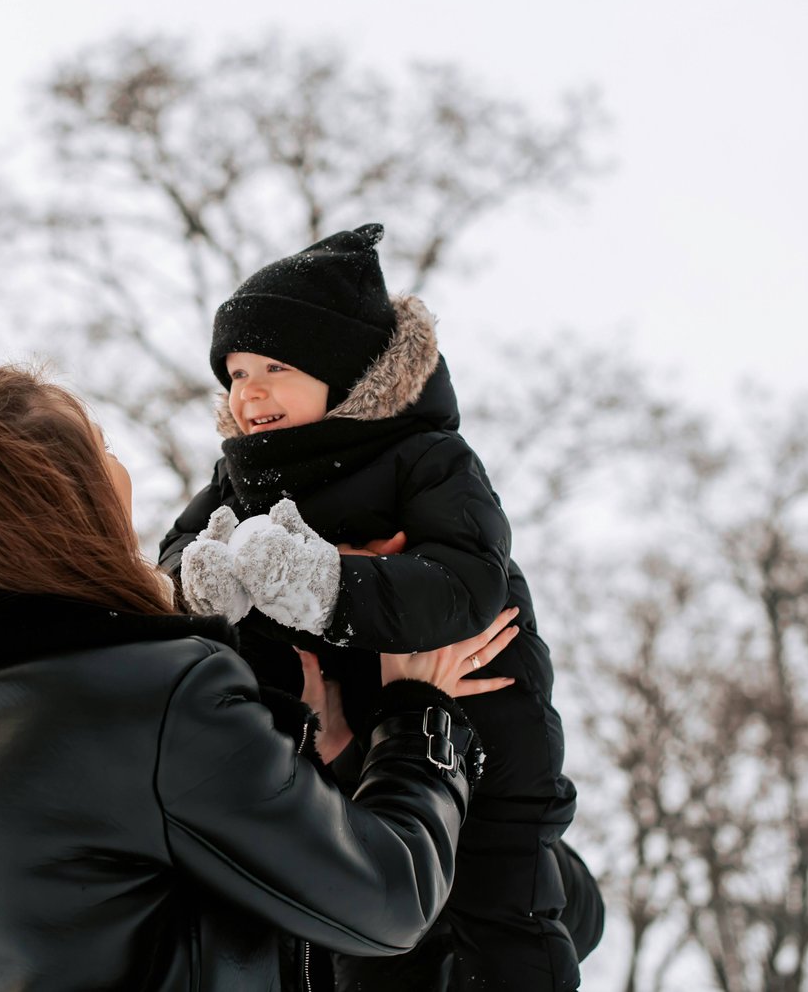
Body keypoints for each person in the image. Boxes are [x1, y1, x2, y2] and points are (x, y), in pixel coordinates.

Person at [0, 364, 527, 992]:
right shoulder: (160, 693)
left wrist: (304, 753)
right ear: (70, 500)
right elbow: (388, 898)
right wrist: (417, 713)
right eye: (102, 447)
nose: (121, 468)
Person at [160, 224, 605, 990]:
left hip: (483, 713)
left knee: (504, 909)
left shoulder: (425, 458)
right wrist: (199, 587)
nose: (248, 392)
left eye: (274, 367)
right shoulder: (242, 477)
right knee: (373, 936)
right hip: (357, 739)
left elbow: (465, 580)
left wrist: (329, 587)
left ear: (342, 371)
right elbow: (172, 562)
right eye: (234, 373)